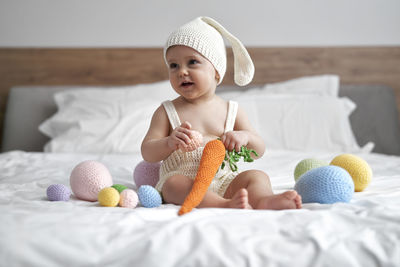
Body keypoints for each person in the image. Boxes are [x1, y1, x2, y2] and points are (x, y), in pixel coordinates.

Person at [141, 17, 302, 210]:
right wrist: (169, 142)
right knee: (172, 185)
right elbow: (147, 152)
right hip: (184, 181)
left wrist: (244, 137)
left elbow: (259, 150)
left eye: (192, 62)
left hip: (225, 181)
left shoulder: (232, 110)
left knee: (257, 176)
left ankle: (263, 200)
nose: (181, 71)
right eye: (173, 65)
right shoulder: (167, 111)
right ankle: (224, 205)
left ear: (216, 71)